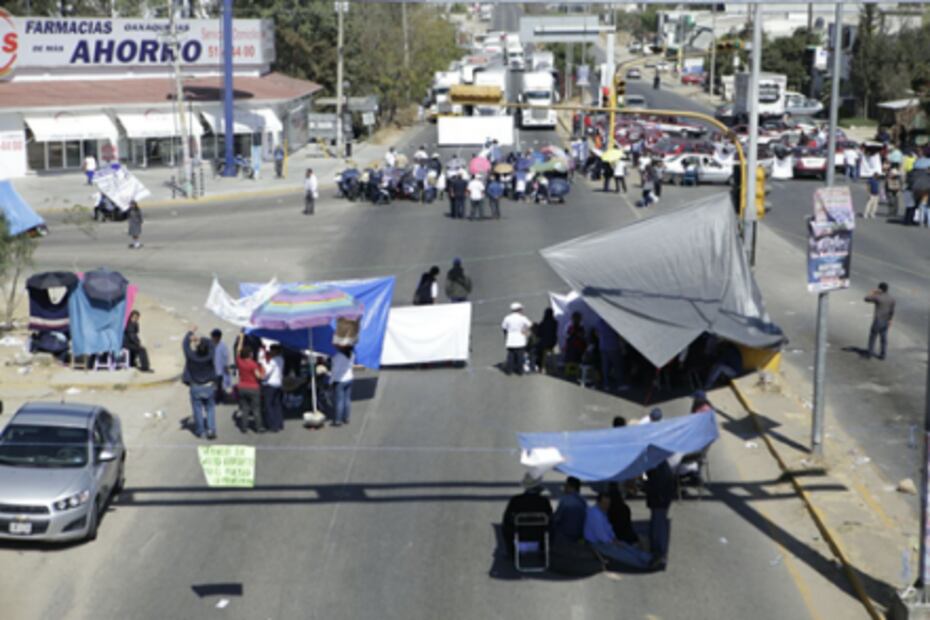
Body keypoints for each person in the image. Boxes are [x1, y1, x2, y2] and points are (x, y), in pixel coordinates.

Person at [584, 492, 654, 570]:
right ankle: (644, 565)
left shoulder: (601, 512)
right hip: (597, 543)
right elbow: (600, 535)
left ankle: (648, 558)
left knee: (627, 547)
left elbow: (608, 528)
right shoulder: (595, 514)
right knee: (623, 554)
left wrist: (614, 538)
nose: (607, 506)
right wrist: (612, 541)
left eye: (608, 503)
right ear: (598, 502)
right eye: (604, 503)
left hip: (605, 540)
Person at [501, 474, 553, 557]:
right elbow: (550, 518)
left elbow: (506, 518)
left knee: (506, 525)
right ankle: (545, 549)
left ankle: (511, 551)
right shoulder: (544, 501)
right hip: (539, 535)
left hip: (520, 534)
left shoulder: (516, 500)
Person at [182, 328, 217, 439]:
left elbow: (185, 345)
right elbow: (211, 344)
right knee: (210, 408)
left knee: (197, 409)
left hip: (195, 385)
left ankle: (200, 430)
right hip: (208, 385)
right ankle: (211, 430)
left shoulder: (191, 357)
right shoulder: (210, 356)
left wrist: (190, 334)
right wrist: (201, 339)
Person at [645, 461, 676, 569]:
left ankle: (659, 553)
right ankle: (658, 551)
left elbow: (656, 482)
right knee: (658, 521)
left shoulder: (656, 463)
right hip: (662, 494)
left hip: (660, 495)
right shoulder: (660, 461)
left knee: (658, 523)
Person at [235, 345, 264, 432]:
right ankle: (258, 427)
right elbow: (258, 376)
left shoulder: (239, 362)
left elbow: (238, 351)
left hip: (242, 387)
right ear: (250, 354)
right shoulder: (253, 364)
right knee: (256, 409)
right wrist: (263, 374)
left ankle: (244, 427)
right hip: (253, 388)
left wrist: (241, 338)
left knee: (244, 408)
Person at [551, 476, 587, 543]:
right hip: (578, 536)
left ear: (570, 487)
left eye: (565, 485)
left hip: (564, 536)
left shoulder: (565, 500)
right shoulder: (583, 501)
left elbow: (556, 518)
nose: (564, 487)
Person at [865, 282, 895, 360]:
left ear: (880, 289)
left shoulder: (878, 297)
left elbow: (866, 299)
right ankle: (883, 355)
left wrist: (873, 292)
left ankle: (869, 353)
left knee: (873, 337)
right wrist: (890, 320)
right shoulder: (892, 298)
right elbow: (892, 311)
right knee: (884, 338)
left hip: (878, 320)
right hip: (886, 321)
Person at [501, 302, 532, 376]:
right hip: (520, 339)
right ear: (519, 309)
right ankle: (520, 371)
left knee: (510, 355)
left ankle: (509, 370)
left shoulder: (507, 318)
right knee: (520, 355)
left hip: (510, 339)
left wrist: (506, 335)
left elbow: (504, 328)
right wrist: (525, 330)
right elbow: (530, 325)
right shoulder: (522, 318)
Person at [260, 344, 285, 432]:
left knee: (268, 405)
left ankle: (273, 425)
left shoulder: (273, 361)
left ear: (275, 351)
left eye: (271, 350)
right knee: (277, 405)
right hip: (278, 384)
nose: (270, 352)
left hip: (270, 385)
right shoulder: (281, 359)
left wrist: (263, 363)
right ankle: (279, 423)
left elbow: (267, 373)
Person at [331, 344, 354, 426]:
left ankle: (338, 420)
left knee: (339, 401)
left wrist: (331, 381)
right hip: (349, 378)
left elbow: (335, 370)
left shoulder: (338, 356)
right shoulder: (352, 354)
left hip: (340, 380)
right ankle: (346, 418)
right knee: (347, 399)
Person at [535, 308, 558, 373]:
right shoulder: (555, 322)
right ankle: (543, 365)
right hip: (553, 342)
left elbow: (539, 334)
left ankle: (540, 366)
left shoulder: (543, 323)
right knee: (541, 346)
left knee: (538, 348)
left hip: (545, 343)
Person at [211, 328, 232, 403]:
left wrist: (226, 367)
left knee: (219, 386)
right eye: (212, 337)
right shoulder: (210, 344)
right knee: (212, 385)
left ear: (219, 337)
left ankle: (219, 398)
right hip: (211, 368)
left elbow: (226, 357)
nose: (213, 338)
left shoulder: (223, 346)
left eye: (214, 337)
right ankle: (215, 397)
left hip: (220, 369)